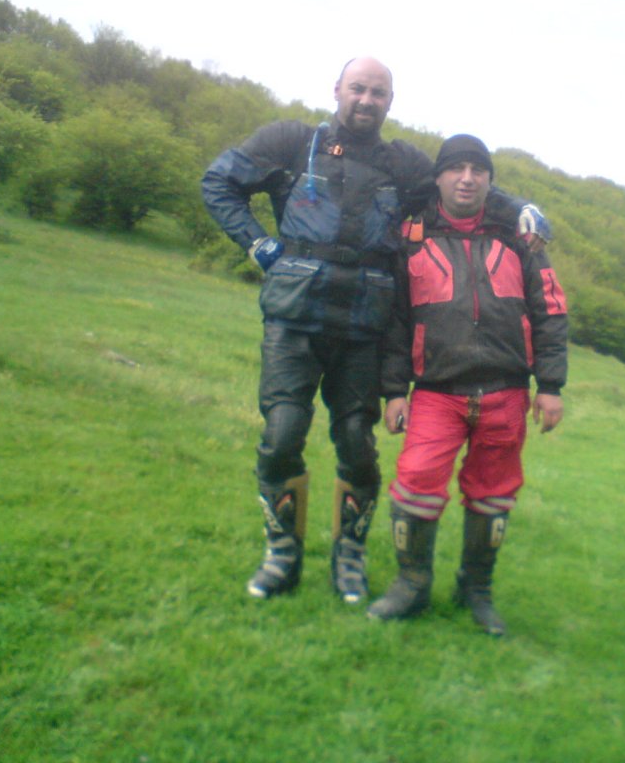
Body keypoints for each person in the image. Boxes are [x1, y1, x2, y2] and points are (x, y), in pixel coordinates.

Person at [200, 58, 551, 603]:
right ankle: (282, 555)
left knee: (357, 445)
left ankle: (350, 557)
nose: (366, 100)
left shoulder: (403, 163)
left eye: (378, 92)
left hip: (365, 326)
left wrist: (519, 206)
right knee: (282, 435)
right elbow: (219, 181)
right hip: (294, 317)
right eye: (358, 88)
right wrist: (257, 242)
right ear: (337, 89)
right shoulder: (290, 142)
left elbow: (457, 188)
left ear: (390, 101)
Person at [367, 134, 568, 636]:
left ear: (489, 181)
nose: (466, 178)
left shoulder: (521, 237)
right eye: (456, 168)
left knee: (493, 495)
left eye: (478, 170)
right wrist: (393, 391)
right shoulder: (410, 234)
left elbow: (550, 310)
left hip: (507, 391)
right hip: (436, 392)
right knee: (415, 483)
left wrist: (551, 385)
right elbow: (395, 320)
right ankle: (411, 585)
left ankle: (476, 589)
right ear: (438, 177)